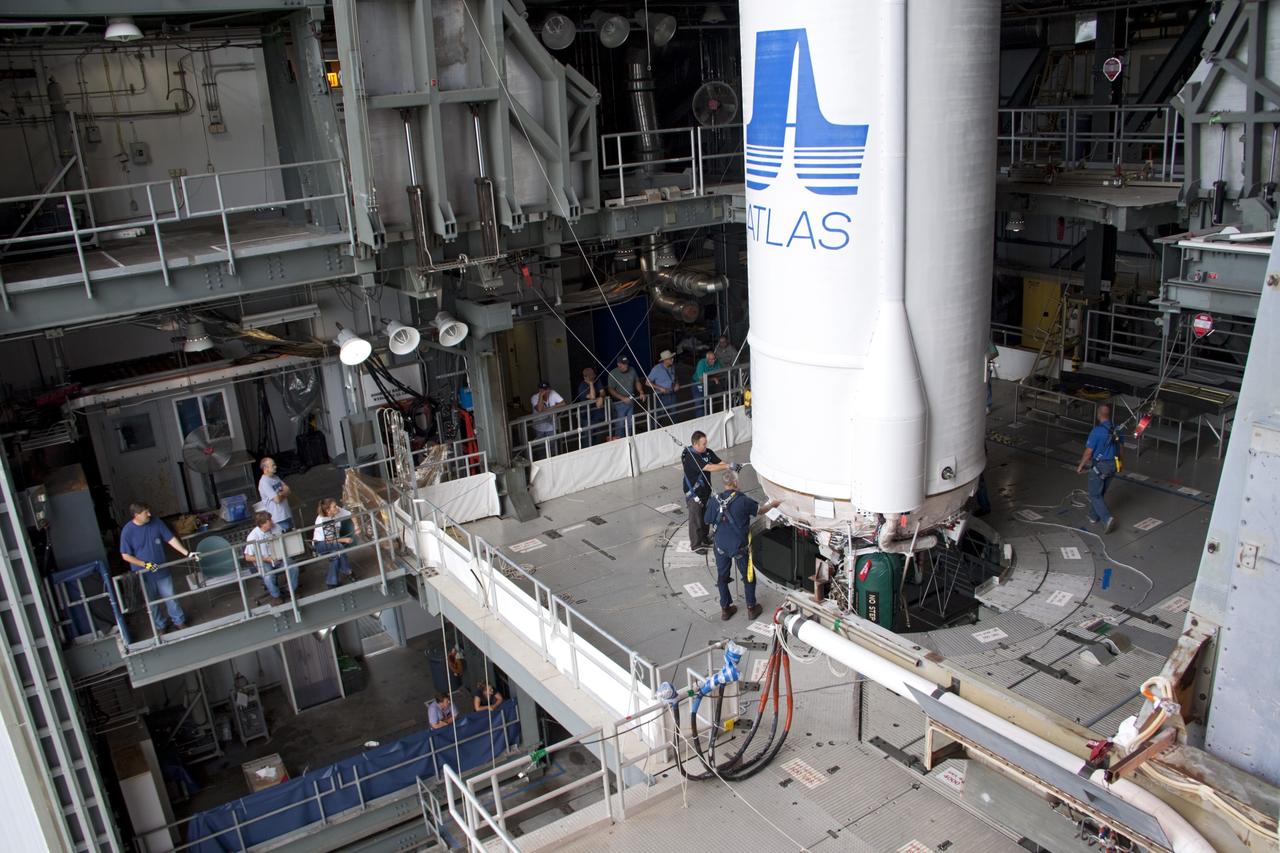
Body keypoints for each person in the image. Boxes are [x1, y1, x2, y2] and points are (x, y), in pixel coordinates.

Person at [703, 470, 780, 621]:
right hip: (740, 547)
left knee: (722, 576)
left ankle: (725, 609)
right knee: (748, 576)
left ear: (725, 483)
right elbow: (761, 511)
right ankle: (751, 608)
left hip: (720, 546)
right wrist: (773, 504)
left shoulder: (714, 501)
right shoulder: (743, 501)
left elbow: (707, 520)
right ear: (735, 482)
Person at [119, 501, 198, 633]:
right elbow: (125, 555)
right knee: (151, 603)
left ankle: (179, 622)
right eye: (146, 512)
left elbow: (170, 539)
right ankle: (160, 626)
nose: (149, 514)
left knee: (170, 597)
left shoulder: (156, 522)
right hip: (143, 574)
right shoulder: (127, 531)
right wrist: (146, 565)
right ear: (136, 515)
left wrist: (187, 553)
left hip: (162, 570)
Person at [1077, 404, 1122, 534]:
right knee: (1099, 492)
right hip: (1113, 465)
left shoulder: (1096, 431)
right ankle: (1093, 516)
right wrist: (1120, 463)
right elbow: (1121, 448)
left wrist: (1081, 466)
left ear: (1099, 415)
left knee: (1095, 494)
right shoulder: (1117, 429)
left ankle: (1107, 518)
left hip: (1100, 466)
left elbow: (1088, 452)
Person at [682, 430, 730, 554]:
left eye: (706, 443)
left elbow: (719, 462)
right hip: (694, 494)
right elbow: (709, 467)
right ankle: (696, 545)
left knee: (705, 517)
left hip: (705, 492)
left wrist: (731, 466)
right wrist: (727, 467)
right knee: (696, 519)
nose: (705, 446)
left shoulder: (707, 452)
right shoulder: (691, 457)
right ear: (695, 444)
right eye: (703, 444)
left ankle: (704, 538)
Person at [244, 510, 298, 605]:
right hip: (264, 561)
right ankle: (276, 596)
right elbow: (247, 557)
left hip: (279, 557)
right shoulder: (253, 536)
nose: (272, 522)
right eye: (269, 520)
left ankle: (290, 591)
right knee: (268, 576)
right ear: (263, 524)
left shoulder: (277, 527)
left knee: (293, 567)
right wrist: (265, 559)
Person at [313, 498, 355, 588]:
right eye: (334, 507)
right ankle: (347, 571)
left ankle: (331, 582)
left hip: (332, 541)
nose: (337, 508)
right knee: (339, 546)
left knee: (335, 557)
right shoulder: (323, 520)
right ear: (328, 510)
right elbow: (329, 539)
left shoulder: (337, 510)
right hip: (320, 544)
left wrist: (357, 526)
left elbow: (351, 514)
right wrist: (344, 540)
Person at [606, 356, 646, 433]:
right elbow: (610, 389)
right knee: (620, 425)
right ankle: (619, 438)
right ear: (618, 364)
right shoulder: (613, 373)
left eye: (627, 363)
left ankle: (629, 438)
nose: (626, 366)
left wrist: (641, 392)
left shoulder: (632, 370)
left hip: (630, 401)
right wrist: (622, 398)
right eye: (624, 364)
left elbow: (637, 381)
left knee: (630, 423)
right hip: (618, 403)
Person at [529, 381, 566, 458]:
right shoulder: (534, 397)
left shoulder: (553, 393)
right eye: (542, 389)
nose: (545, 391)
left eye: (547, 389)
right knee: (541, 448)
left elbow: (563, 403)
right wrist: (541, 396)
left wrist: (551, 408)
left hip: (551, 426)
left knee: (553, 447)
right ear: (539, 390)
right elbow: (539, 409)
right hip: (539, 427)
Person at [258, 457, 293, 532]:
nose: (275, 467)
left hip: (286, 514)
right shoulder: (264, 482)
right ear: (265, 468)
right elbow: (277, 500)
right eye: (273, 465)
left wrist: (280, 494)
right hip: (278, 519)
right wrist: (283, 493)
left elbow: (288, 490)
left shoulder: (276, 477)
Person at [574, 366, 607, 446]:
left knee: (598, 437)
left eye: (593, 375)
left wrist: (601, 397)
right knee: (588, 438)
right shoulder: (582, 386)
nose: (594, 376)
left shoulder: (597, 381)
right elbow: (592, 397)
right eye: (591, 376)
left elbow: (603, 392)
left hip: (597, 415)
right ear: (585, 377)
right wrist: (591, 383)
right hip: (586, 417)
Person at [646, 350, 681, 419]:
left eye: (672, 358)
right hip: (661, 396)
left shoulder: (672, 366)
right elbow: (647, 382)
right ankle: (655, 425)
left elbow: (675, 377)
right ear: (665, 360)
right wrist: (660, 388)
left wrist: (677, 383)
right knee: (660, 416)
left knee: (675, 414)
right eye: (670, 358)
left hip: (672, 394)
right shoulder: (656, 369)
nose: (672, 359)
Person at [691, 348, 724, 417]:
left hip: (709, 383)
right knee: (699, 403)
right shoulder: (701, 363)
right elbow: (701, 379)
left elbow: (721, 372)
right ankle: (700, 419)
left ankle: (710, 417)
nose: (713, 361)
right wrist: (713, 378)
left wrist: (714, 377)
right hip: (697, 383)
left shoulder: (717, 362)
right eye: (711, 360)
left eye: (714, 359)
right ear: (707, 359)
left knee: (710, 400)